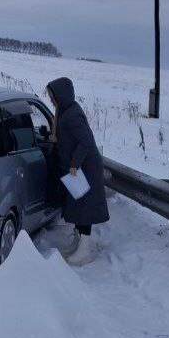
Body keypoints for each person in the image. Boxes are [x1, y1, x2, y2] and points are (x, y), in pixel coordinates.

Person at [46, 77, 109, 265]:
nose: (51, 99)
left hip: (84, 169)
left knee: (84, 208)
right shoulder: (66, 111)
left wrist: (74, 163)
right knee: (77, 206)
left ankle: (84, 250)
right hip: (78, 169)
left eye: (52, 96)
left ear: (61, 95)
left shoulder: (72, 115)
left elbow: (86, 141)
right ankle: (78, 243)